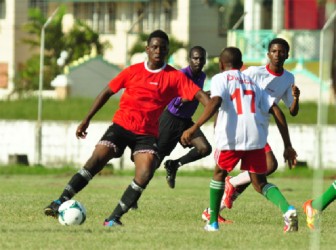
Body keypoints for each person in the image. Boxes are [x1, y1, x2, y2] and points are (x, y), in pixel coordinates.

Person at [44, 29, 210, 227]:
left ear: (167, 51)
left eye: (163, 48)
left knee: (146, 171)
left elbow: (204, 99)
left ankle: (113, 218)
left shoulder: (175, 77)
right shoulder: (133, 71)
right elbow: (106, 92)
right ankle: (59, 201)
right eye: (155, 47)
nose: (158, 51)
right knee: (98, 157)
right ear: (147, 49)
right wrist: (87, 119)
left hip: (146, 134)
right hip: (121, 127)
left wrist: (204, 116)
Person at [181, 47, 298, 232]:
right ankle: (287, 209)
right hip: (256, 138)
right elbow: (276, 110)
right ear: (241, 65)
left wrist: (194, 127)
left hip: (231, 136)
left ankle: (212, 222)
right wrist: (288, 145)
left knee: (219, 173)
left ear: (221, 64)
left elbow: (215, 101)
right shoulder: (253, 82)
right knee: (260, 183)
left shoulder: (220, 78)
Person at [157, 46, 212, 190]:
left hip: (186, 121)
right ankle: (135, 192)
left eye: (201, 58)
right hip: (171, 119)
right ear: (189, 59)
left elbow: (197, 96)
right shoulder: (181, 74)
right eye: (195, 58)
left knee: (204, 148)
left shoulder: (202, 76)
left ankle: (174, 164)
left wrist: (205, 94)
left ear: (205, 60)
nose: (198, 61)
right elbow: (175, 101)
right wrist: (199, 95)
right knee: (156, 158)